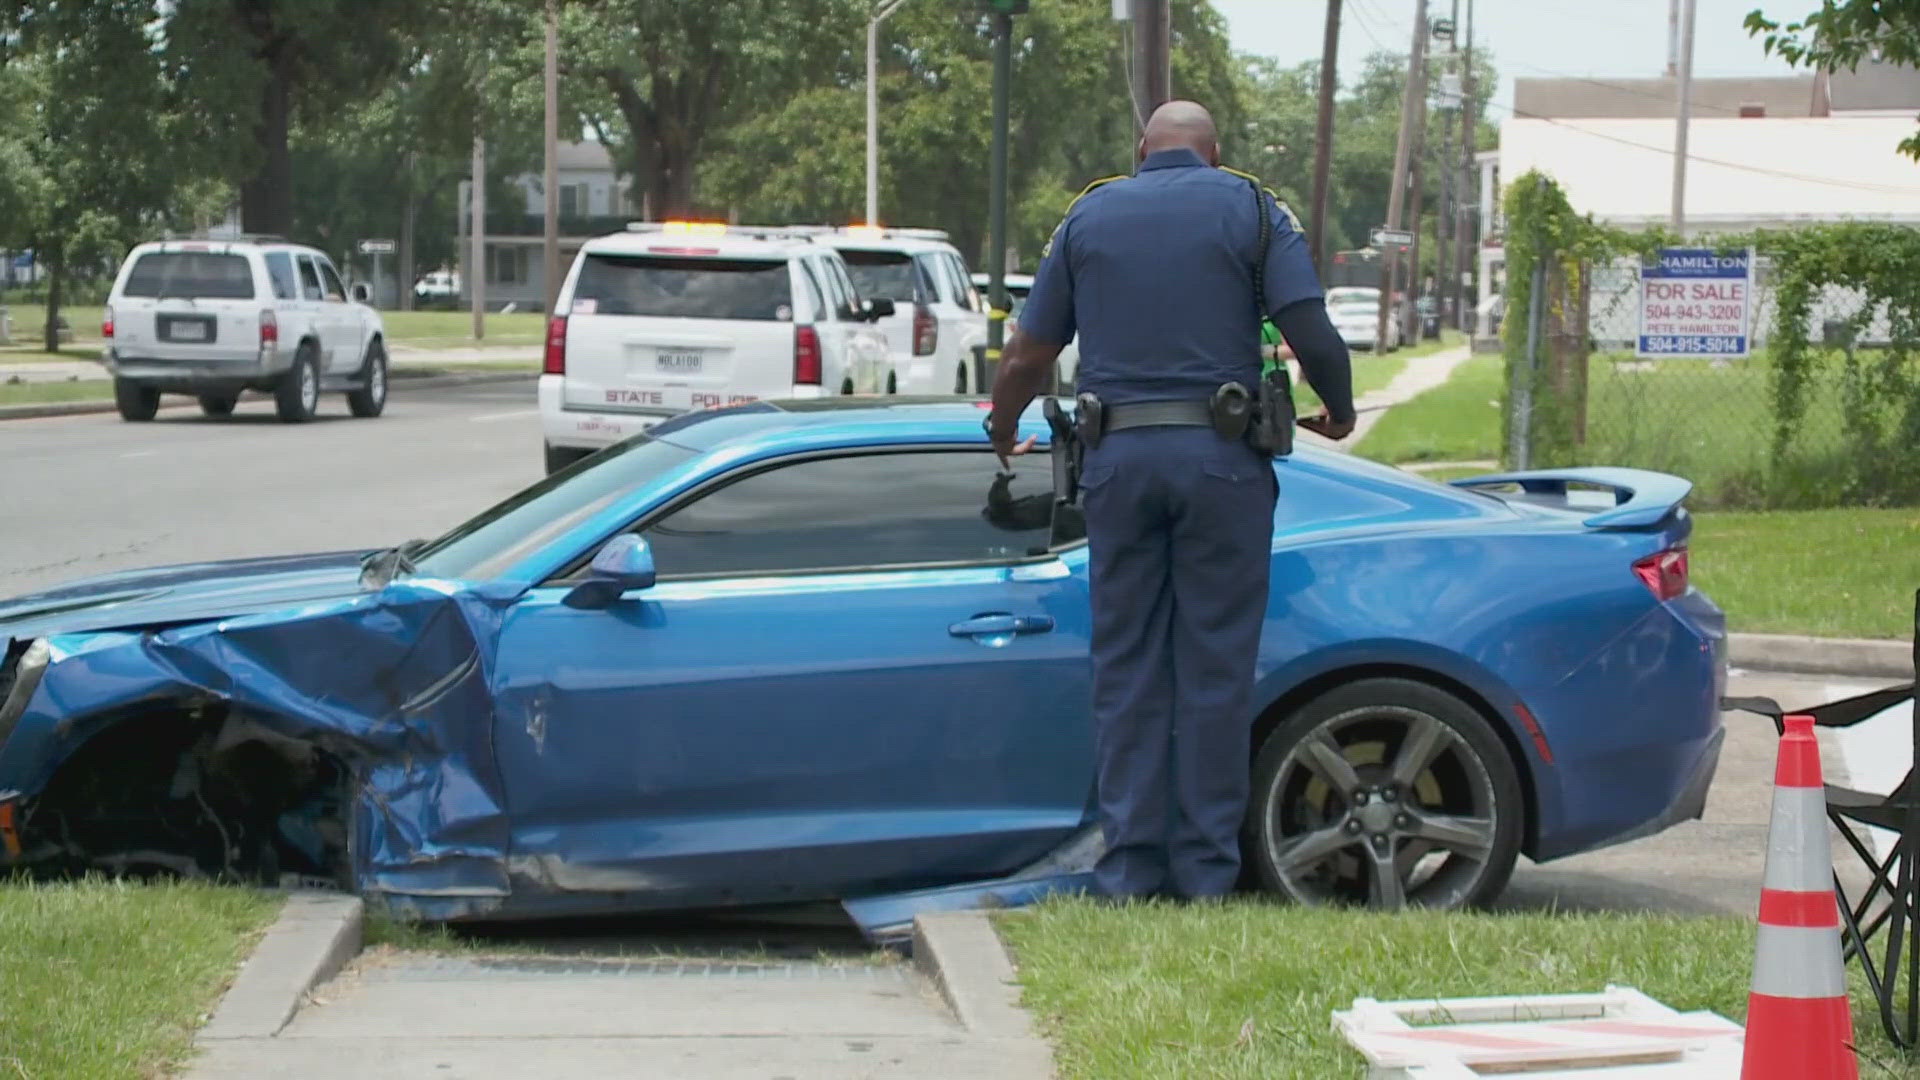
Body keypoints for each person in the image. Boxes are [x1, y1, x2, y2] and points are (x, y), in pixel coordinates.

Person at [984, 100, 1356, 903]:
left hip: (1117, 464)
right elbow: (1311, 328)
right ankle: (1206, 872)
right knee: (1215, 668)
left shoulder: (1088, 216)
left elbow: (1030, 350)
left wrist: (1002, 421)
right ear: (1215, 154)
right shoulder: (1254, 208)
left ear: (1140, 150)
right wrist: (1341, 405)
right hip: (1222, 465)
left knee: (1127, 669)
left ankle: (1129, 868)